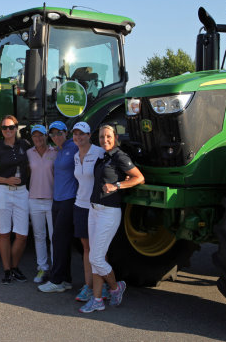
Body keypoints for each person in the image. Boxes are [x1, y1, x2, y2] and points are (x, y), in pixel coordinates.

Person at [79, 124, 145, 313]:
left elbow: (139, 178)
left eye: (108, 136)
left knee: (96, 257)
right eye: (101, 137)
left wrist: (117, 185)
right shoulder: (103, 156)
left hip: (109, 212)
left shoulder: (120, 156)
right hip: (94, 210)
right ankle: (98, 299)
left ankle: (116, 288)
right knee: (95, 257)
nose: (104, 140)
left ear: (115, 137)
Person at [0, 115, 30, 285]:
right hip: (2, 192)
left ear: (16, 128)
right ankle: (7, 270)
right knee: (4, 232)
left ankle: (14, 266)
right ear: (1, 130)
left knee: (22, 234)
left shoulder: (24, 145)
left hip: (21, 193)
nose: (8, 131)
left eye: (11, 127)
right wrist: (6, 180)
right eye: (4, 128)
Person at [38, 121, 79, 293]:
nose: (56, 137)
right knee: (61, 240)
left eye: (59, 133)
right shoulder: (59, 150)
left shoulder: (74, 147)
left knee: (59, 240)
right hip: (58, 199)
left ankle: (57, 280)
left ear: (66, 133)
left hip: (69, 200)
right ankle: (66, 280)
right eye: (53, 134)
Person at [71, 122, 105, 303]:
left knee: (99, 249)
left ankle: (103, 285)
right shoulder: (76, 155)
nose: (78, 137)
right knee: (86, 248)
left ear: (89, 134)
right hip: (80, 206)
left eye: (82, 134)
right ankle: (88, 285)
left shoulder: (99, 152)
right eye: (76, 134)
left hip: (97, 207)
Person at [26, 124, 57, 283]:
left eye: (41, 135)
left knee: (54, 236)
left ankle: (56, 269)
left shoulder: (55, 152)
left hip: (51, 199)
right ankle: (42, 268)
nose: (38, 138)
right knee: (39, 236)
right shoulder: (28, 153)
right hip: (34, 199)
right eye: (35, 136)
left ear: (46, 136)